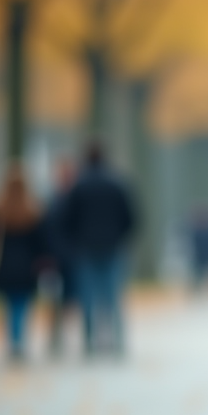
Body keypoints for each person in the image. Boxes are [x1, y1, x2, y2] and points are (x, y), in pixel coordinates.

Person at [63, 143, 137, 356]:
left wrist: (75, 241)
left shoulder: (79, 186)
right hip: (113, 247)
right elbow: (130, 216)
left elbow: (68, 218)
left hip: (85, 248)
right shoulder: (117, 183)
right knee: (113, 295)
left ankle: (89, 340)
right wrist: (121, 237)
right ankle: (118, 340)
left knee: (87, 295)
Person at [0, 165, 48, 361]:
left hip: (5, 264)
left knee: (9, 305)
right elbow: (42, 240)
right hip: (27, 265)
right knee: (23, 305)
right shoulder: (33, 209)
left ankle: (13, 341)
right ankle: (20, 341)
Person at [43, 158, 78, 355]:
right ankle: (56, 336)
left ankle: (63, 335)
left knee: (69, 299)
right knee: (55, 299)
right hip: (56, 259)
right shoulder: (54, 199)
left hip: (70, 258)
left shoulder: (72, 198)